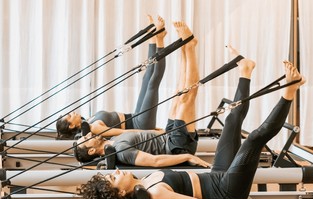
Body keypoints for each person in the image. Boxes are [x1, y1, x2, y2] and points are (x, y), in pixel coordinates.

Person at [78, 56, 306, 199]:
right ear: (119, 193)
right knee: (254, 139)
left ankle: (245, 71)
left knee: (231, 122)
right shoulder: (155, 193)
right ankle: (290, 91)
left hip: (217, 174)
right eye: (114, 179)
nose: (116, 172)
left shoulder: (145, 182)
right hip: (227, 189)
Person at [75, 22, 211, 168]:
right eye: (85, 139)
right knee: (187, 96)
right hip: (176, 146)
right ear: (92, 151)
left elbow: (142, 138)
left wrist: (155, 132)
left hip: (167, 136)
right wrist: (188, 156)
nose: (87, 135)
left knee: (179, 93)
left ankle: (187, 46)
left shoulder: (113, 140)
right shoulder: (121, 151)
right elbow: (155, 161)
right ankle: (190, 48)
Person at [56, 15, 167, 139]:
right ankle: (160, 40)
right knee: (153, 83)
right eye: (70, 116)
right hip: (141, 124)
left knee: (147, 78)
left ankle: (153, 38)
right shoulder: (94, 128)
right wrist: (152, 133)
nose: (72, 112)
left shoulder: (89, 120)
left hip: (136, 117)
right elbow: (123, 133)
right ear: (71, 126)